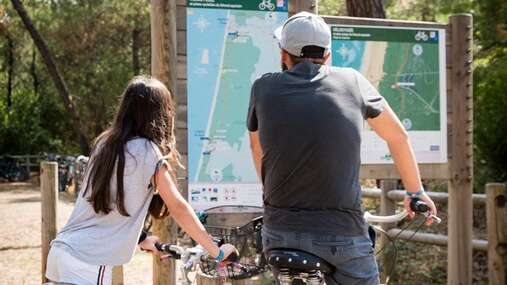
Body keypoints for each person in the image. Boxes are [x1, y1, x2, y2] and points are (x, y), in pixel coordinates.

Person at [247, 12, 438, 285]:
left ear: (283, 53)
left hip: (280, 232)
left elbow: (258, 148)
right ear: (327, 55)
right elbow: (398, 136)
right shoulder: (353, 81)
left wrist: (272, 194)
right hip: (343, 233)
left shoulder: (263, 88)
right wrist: (416, 192)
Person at [45, 76, 236, 285]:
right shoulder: (147, 151)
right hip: (89, 261)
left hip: (61, 252)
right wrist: (216, 252)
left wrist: (142, 237)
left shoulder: (106, 144)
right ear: (161, 115)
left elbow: (108, 203)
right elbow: (178, 207)